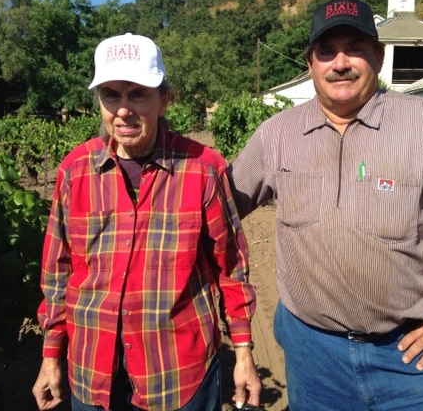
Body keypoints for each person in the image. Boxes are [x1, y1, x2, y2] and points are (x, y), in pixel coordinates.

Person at [228, 0, 423, 410]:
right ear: (310, 62)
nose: (340, 62)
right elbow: (218, 207)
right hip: (313, 354)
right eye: (326, 51)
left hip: (412, 353)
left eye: (354, 48)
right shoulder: (276, 135)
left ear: (378, 54)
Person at [32, 33, 261, 411]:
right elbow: (57, 273)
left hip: (176, 371)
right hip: (92, 369)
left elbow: (231, 267)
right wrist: (51, 354)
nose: (123, 110)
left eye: (137, 94)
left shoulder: (202, 169)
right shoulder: (75, 171)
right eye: (111, 95)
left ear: (163, 99)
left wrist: (243, 352)